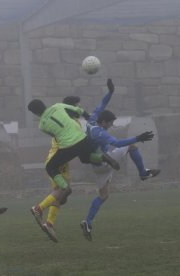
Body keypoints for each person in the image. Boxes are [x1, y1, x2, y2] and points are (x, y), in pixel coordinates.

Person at [27, 95, 120, 235]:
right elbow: (81, 112)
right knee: (85, 158)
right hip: (82, 141)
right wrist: (90, 118)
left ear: (35, 113)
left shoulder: (42, 125)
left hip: (63, 152)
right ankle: (102, 157)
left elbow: (55, 134)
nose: (79, 106)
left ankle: (44, 214)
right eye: (77, 104)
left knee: (58, 185)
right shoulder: (62, 110)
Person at [80, 79, 160, 241]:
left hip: (97, 166)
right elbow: (117, 143)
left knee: (103, 196)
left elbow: (101, 104)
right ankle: (143, 173)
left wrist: (110, 92)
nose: (111, 125)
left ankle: (87, 222)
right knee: (132, 147)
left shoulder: (91, 121)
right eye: (110, 123)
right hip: (104, 162)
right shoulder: (101, 133)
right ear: (103, 122)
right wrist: (137, 137)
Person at [40, 96, 83, 242]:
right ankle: (38, 209)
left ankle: (49, 223)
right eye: (77, 105)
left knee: (61, 193)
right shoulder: (71, 122)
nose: (78, 108)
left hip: (60, 160)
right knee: (61, 191)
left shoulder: (63, 120)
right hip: (58, 162)